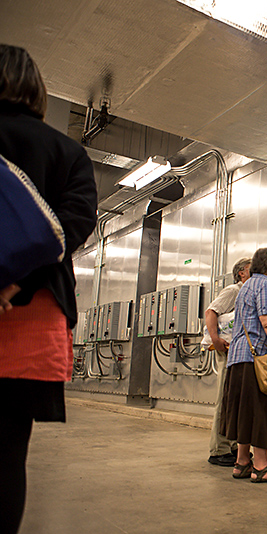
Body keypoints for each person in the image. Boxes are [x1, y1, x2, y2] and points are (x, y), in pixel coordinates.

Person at [0, 44, 97, 533]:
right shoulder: (67, 153)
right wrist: (14, 282)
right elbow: (71, 228)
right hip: (31, 319)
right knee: (8, 455)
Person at [220, 247, 267, 483]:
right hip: (259, 360)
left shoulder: (248, 286)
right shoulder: (264, 286)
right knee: (261, 410)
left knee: (246, 412)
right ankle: (261, 466)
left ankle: (243, 462)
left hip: (240, 359)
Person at [205, 257, 250, 467]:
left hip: (238, 352)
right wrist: (216, 339)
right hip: (227, 351)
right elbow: (211, 312)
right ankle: (218, 449)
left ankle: (231, 444)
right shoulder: (233, 290)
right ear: (241, 272)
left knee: (234, 399)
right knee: (225, 398)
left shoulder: (248, 291)